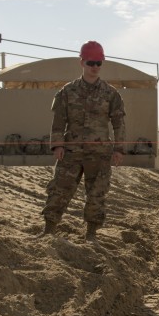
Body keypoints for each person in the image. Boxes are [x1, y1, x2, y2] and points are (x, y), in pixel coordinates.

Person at [37, 40, 126, 241]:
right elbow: (58, 121)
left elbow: (119, 123)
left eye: (98, 63)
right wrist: (57, 145)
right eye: (91, 63)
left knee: (97, 194)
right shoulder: (67, 92)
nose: (95, 67)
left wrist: (119, 149)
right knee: (59, 189)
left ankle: (91, 234)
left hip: (100, 153)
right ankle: (49, 229)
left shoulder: (111, 94)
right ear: (82, 63)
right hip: (71, 152)